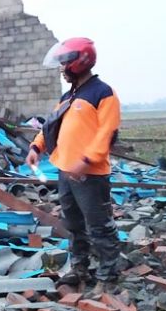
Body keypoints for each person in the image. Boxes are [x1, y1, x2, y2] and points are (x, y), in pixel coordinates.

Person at [26, 37, 121, 295]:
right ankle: (80, 267)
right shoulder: (69, 96)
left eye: (64, 63)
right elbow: (52, 126)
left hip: (90, 175)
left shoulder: (103, 93)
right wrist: (36, 147)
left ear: (79, 63)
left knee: (99, 226)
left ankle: (108, 277)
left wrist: (86, 160)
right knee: (74, 225)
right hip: (66, 172)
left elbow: (107, 134)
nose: (61, 68)